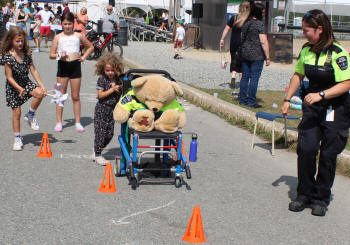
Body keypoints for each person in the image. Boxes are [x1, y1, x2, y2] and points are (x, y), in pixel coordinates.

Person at [282, 9, 350, 217]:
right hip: (313, 106)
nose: (304, 34)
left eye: (306, 30)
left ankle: (321, 197)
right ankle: (304, 194)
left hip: (335, 108)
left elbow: (346, 84)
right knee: (307, 148)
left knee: (329, 154)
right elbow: (298, 75)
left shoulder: (338, 53)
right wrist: (287, 98)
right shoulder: (306, 50)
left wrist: (322, 94)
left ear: (319, 29)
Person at [0, 27, 46, 150]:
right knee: (17, 112)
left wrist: (41, 84)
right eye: (17, 41)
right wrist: (19, 88)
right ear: (11, 41)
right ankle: (17, 138)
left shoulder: (26, 53)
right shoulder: (8, 57)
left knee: (40, 93)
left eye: (22, 41)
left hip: (25, 82)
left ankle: (30, 115)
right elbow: (9, 77)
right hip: (13, 86)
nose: (20, 43)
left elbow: (33, 70)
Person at [49, 12, 93, 133]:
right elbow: (51, 55)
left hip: (75, 67)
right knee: (60, 96)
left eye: (69, 24)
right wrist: (59, 55)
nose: (67, 26)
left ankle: (78, 122)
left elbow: (90, 47)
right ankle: (59, 122)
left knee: (75, 96)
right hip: (62, 67)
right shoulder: (58, 37)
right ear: (61, 24)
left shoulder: (78, 35)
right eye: (65, 24)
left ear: (73, 24)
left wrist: (83, 57)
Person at [92, 53, 124, 165]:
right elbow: (100, 95)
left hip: (112, 110)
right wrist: (112, 89)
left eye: (112, 70)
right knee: (100, 133)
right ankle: (98, 154)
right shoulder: (102, 79)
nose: (110, 73)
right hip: (102, 109)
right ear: (103, 69)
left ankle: (97, 148)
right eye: (107, 70)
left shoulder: (119, 79)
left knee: (109, 134)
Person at [238, 2, 270, 108]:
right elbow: (263, 42)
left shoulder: (246, 22)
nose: (264, 14)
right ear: (259, 12)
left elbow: (242, 37)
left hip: (245, 54)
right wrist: (268, 57)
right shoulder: (259, 24)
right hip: (257, 55)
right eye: (263, 12)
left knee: (245, 77)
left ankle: (242, 100)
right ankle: (251, 102)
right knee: (254, 78)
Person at [220, 1, 250, 89]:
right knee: (243, 62)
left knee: (234, 59)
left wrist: (222, 39)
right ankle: (242, 81)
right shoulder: (249, 20)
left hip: (234, 43)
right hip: (244, 44)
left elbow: (226, 29)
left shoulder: (234, 17)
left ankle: (233, 76)